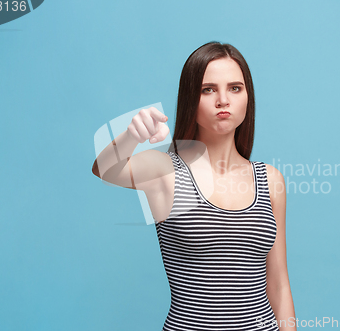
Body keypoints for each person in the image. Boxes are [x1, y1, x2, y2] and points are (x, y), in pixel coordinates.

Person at [92, 41, 296, 330]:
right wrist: (132, 135)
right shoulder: (166, 171)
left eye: (235, 88)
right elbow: (104, 169)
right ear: (190, 98)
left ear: (247, 97)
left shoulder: (270, 179)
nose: (223, 100)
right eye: (207, 89)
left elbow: (279, 284)